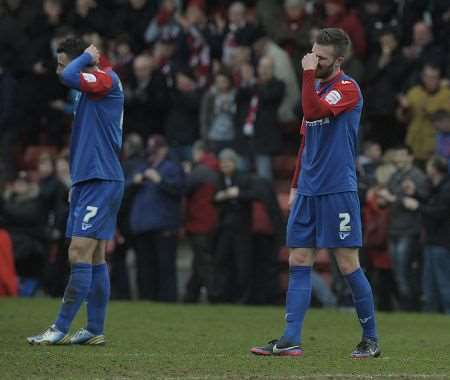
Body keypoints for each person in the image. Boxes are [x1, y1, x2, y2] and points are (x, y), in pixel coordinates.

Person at [251, 28, 380, 358]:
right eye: (311, 54)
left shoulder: (347, 88)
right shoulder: (318, 87)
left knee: (348, 263)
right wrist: (295, 184)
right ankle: (290, 338)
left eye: (320, 58)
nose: (312, 61)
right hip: (308, 190)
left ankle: (370, 339)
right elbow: (306, 144)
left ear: (338, 60)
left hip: (337, 189)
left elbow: (312, 112)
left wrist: (307, 75)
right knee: (298, 259)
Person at [27, 37, 125, 345]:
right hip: (89, 180)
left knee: (77, 252)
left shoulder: (105, 78)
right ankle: (94, 329)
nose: (60, 69)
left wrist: (82, 58)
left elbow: (68, 76)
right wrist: (76, 183)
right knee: (94, 257)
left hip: (101, 178)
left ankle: (58, 329)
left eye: (62, 61)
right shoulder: (91, 86)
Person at [402, 156, 450, 314]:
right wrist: (414, 193)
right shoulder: (437, 187)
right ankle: (431, 311)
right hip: (431, 240)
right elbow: (429, 202)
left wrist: (417, 207)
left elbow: (439, 212)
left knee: (442, 280)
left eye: (429, 166)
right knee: (429, 280)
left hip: (442, 241)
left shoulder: (446, 188)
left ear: (435, 169)